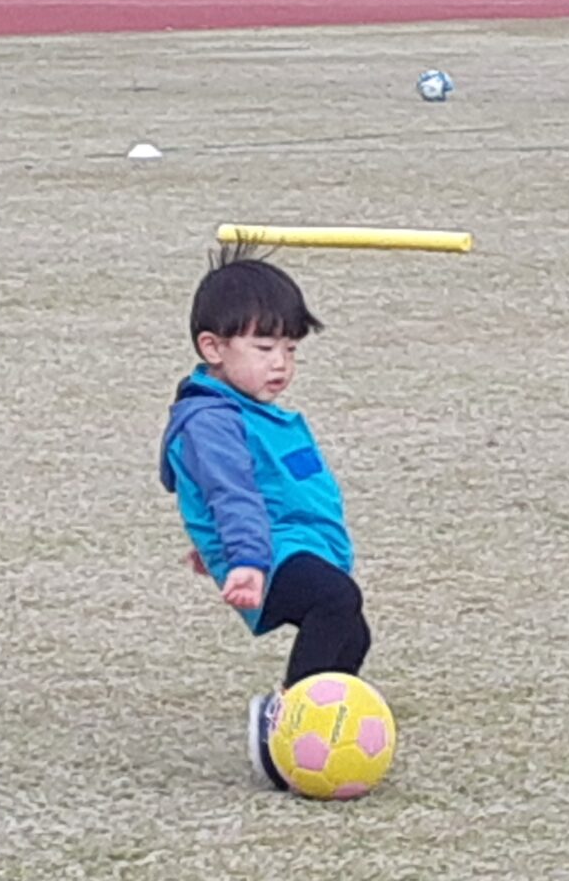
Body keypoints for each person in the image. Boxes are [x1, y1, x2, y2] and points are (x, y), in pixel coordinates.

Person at [159, 249, 370, 791]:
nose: (280, 363)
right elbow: (230, 493)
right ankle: (287, 726)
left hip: (290, 544)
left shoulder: (252, 411)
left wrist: (214, 544)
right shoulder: (211, 421)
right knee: (334, 601)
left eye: (290, 349)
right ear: (212, 348)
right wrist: (243, 558)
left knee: (351, 630)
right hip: (269, 553)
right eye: (264, 348)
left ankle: (326, 722)